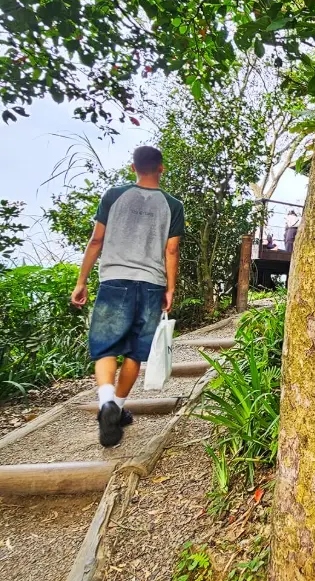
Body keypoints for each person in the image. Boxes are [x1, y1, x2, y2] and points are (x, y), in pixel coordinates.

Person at [71, 146, 184, 447]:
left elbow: (97, 240)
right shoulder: (172, 205)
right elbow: (171, 250)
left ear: (133, 167)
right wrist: (170, 288)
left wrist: (81, 281)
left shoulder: (113, 196)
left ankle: (106, 401)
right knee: (134, 351)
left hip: (114, 280)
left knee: (106, 347)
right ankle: (118, 408)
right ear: (161, 168)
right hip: (150, 284)